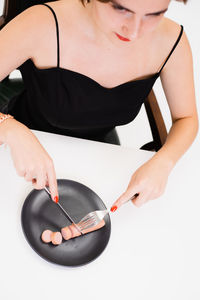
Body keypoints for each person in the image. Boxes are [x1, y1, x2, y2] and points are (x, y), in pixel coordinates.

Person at [0, 0, 198, 212]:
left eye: (154, 15)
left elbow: (186, 118)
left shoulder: (171, 40)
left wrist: (164, 161)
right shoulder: (40, 23)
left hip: (96, 154)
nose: (134, 32)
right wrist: (11, 129)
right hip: (20, 143)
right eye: (121, 9)